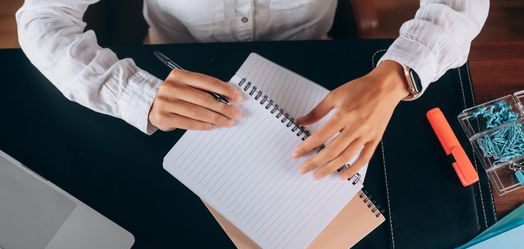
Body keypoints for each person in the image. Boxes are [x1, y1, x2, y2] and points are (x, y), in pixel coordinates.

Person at [16, 0, 489, 180]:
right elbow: (41, 19)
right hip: (174, 76)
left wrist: (398, 74)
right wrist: (130, 93)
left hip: (314, 70)